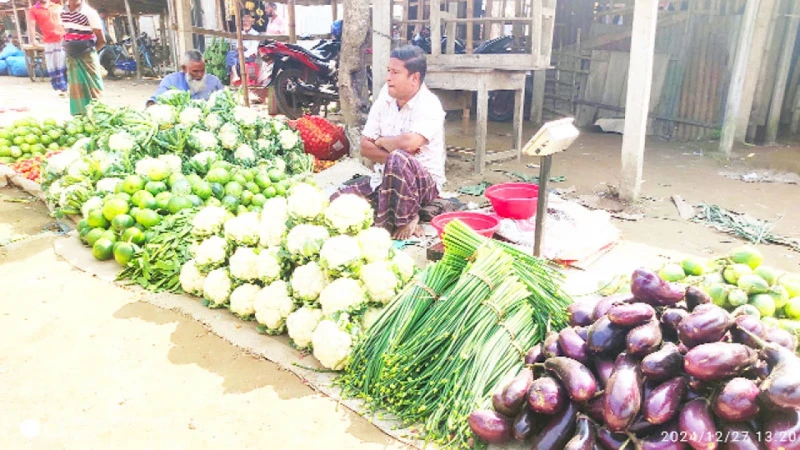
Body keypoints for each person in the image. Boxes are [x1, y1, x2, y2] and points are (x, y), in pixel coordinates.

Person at [333, 45, 446, 240]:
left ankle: (408, 218)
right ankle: (399, 203)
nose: (388, 77)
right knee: (337, 200)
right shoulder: (386, 94)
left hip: (425, 185)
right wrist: (398, 160)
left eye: (395, 72)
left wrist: (383, 142)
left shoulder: (429, 104)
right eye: (388, 71)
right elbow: (365, 147)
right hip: (384, 178)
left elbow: (410, 143)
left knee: (398, 158)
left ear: (414, 78)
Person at [61, 0, 104, 115]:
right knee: (76, 88)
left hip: (87, 55)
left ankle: (97, 115)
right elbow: (66, 32)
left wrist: (90, 53)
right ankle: (79, 116)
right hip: (71, 56)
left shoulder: (89, 12)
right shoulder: (62, 12)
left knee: (94, 87)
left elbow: (101, 40)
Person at [147, 50, 223, 106]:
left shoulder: (214, 82)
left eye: (202, 70)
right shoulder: (171, 81)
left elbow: (225, 100)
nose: (200, 75)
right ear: (184, 68)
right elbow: (154, 100)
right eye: (195, 71)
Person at [29, 0, 67, 94]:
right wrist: (33, 40)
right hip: (48, 41)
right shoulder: (33, 10)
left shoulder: (57, 7)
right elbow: (32, 25)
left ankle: (64, 86)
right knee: (52, 64)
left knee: (62, 62)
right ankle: (57, 87)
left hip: (62, 38)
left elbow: (66, 21)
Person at [229, 12, 260, 85]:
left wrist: (243, 54)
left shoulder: (255, 34)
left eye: (247, 21)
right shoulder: (240, 33)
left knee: (234, 59)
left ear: (251, 23)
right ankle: (235, 75)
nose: (245, 23)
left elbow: (253, 49)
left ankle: (236, 75)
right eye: (243, 21)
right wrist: (239, 51)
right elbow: (237, 46)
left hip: (249, 56)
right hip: (239, 53)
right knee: (230, 54)